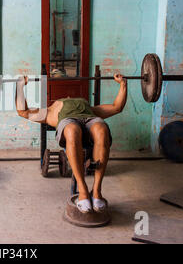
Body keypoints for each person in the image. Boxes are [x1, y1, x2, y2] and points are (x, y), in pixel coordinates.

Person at [15, 74, 127, 213]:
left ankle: (97, 191)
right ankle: (83, 190)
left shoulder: (90, 108)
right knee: (72, 130)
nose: (69, 97)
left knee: (102, 129)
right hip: (68, 122)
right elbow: (23, 111)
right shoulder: (50, 110)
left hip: (90, 118)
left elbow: (117, 107)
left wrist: (123, 84)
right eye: (66, 97)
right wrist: (20, 86)